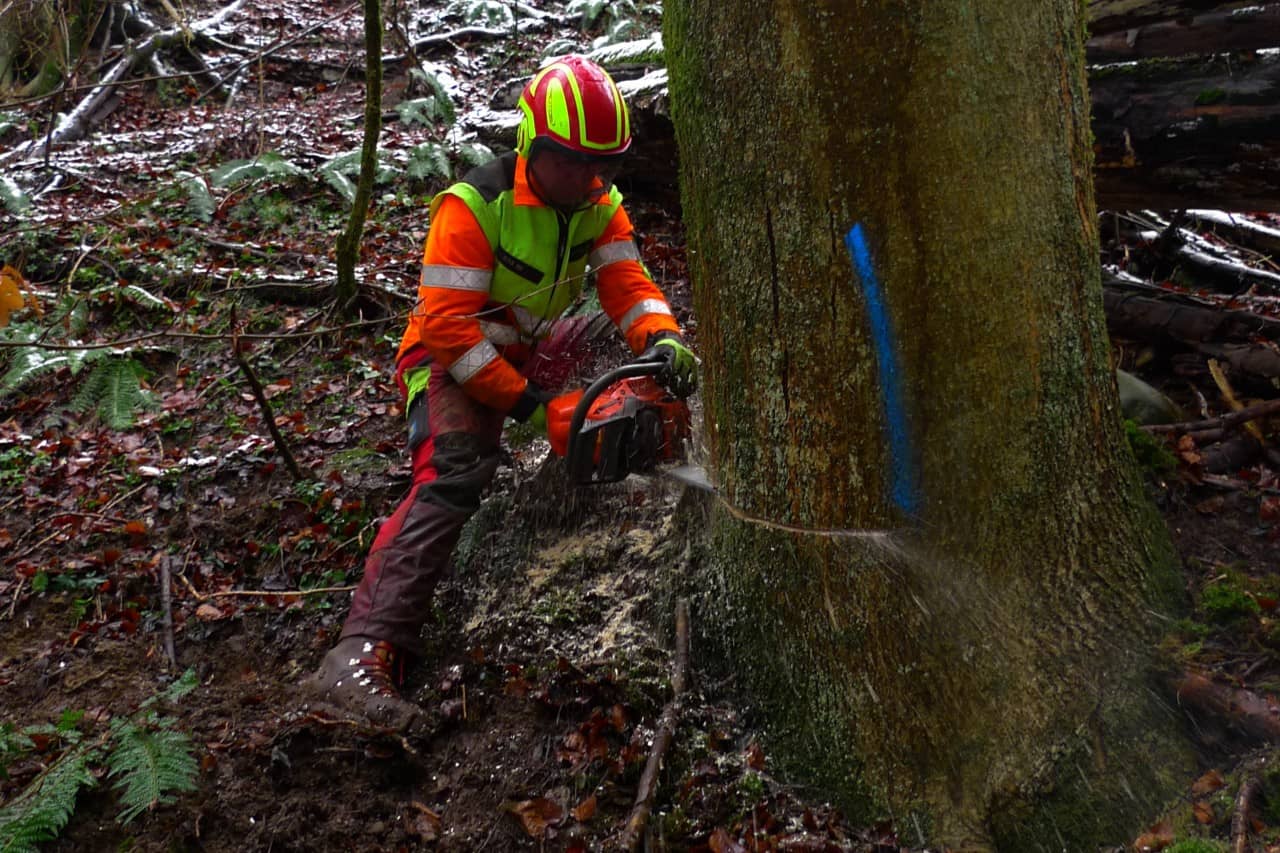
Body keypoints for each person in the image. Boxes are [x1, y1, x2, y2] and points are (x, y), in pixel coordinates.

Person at [307, 54, 697, 730]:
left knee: (635, 378)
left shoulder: (598, 203)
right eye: (579, 162)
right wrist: (534, 408)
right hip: (447, 357)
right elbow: (450, 331)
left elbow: (627, 285)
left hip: (535, 343)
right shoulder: (473, 207)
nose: (595, 178)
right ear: (536, 148)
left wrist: (661, 341)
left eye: (607, 163)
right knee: (456, 471)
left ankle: (618, 461)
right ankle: (360, 649)